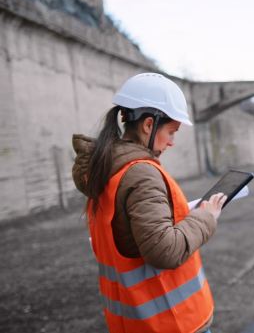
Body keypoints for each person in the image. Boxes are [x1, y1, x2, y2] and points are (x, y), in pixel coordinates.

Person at [72, 72, 225, 333]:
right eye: (171, 132)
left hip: (132, 323)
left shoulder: (107, 168)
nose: (172, 142)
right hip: (173, 323)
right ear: (148, 124)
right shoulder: (141, 174)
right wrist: (205, 217)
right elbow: (165, 250)